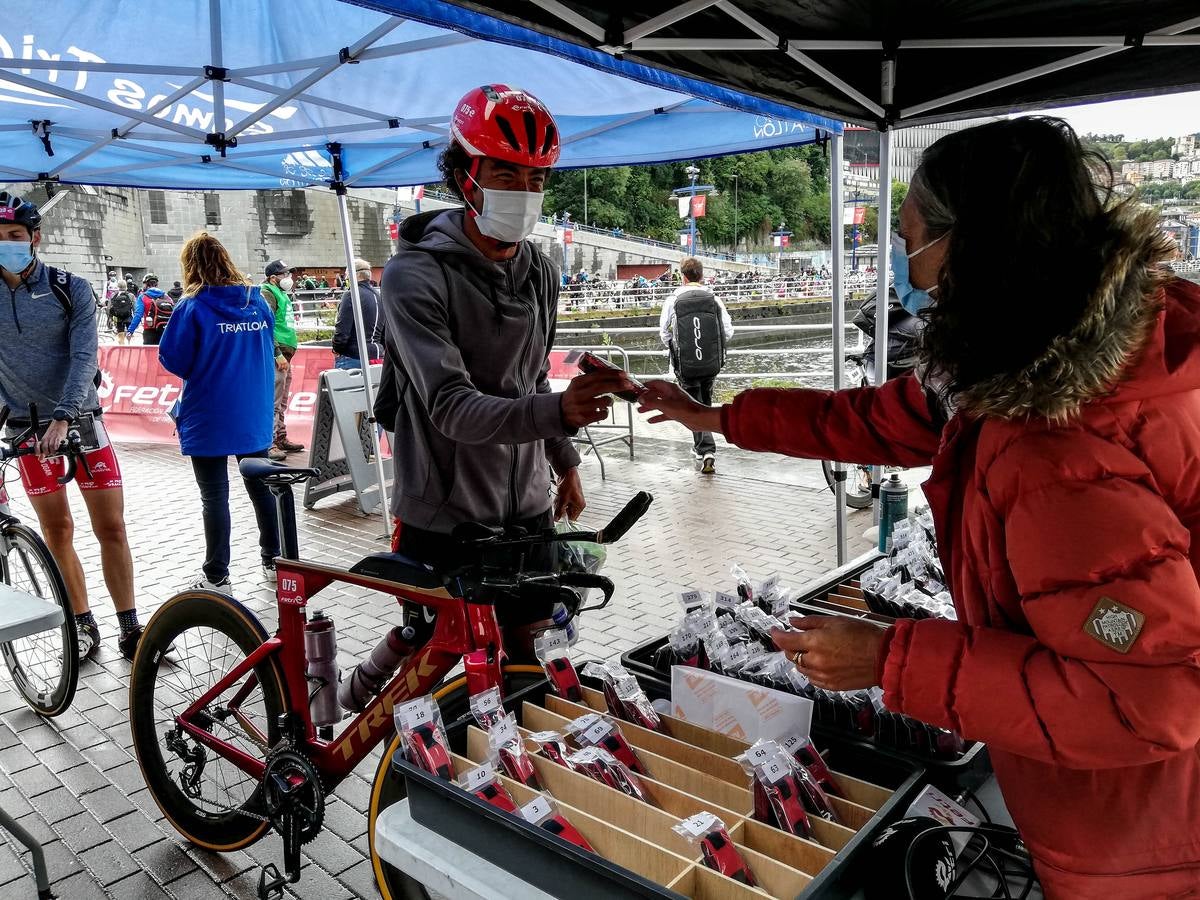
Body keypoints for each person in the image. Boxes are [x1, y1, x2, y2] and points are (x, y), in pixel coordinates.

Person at [638, 117, 1200, 898]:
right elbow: (869, 418)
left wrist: (891, 659)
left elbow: (1147, 696)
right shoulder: (1035, 363)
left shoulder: (1056, 450)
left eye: (912, 242)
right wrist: (718, 417)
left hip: (1142, 845)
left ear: (974, 247)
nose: (909, 271)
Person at [376, 84, 630, 655]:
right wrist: (559, 413)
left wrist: (564, 460)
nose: (524, 193)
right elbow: (450, 407)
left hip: (530, 515)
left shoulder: (539, 269)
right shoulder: (414, 276)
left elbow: (532, 376)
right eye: (506, 175)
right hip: (447, 518)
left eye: (536, 181)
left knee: (529, 671)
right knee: (437, 683)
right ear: (465, 175)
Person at [0, 190, 142, 660]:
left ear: (34, 238)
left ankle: (130, 626)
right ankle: (83, 623)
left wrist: (64, 415)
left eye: (14, 236)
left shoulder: (69, 287)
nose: (6, 244)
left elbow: (85, 357)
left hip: (81, 424)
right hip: (23, 430)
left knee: (111, 529)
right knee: (56, 532)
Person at [159, 232, 280, 591]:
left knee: (214, 496)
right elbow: (268, 344)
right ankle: (274, 560)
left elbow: (174, 359)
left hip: (209, 411)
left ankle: (217, 575)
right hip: (252, 410)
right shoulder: (256, 302)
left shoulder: (191, 306)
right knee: (261, 490)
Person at [658, 257, 733, 474]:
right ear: (701, 276)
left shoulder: (673, 300)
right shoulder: (713, 299)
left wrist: (678, 348)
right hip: (710, 362)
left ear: (682, 276)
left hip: (685, 364)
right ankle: (703, 448)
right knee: (705, 401)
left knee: (693, 404)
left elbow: (664, 333)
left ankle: (706, 449)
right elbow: (728, 331)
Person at [260, 259, 303, 461]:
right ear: (273, 277)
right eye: (284, 274)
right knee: (274, 401)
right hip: (277, 356)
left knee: (282, 400)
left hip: (285, 355)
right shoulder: (267, 293)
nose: (289, 278)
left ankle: (280, 437)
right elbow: (266, 325)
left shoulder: (281, 293)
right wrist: (276, 353)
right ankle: (269, 443)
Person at [332, 257, 381, 371]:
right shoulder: (378, 296)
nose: (346, 278)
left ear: (355, 275)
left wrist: (337, 348)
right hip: (377, 354)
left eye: (347, 274)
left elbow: (342, 328)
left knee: (347, 388)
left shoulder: (351, 295)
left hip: (353, 356)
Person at [129, 273, 173, 346]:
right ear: (156, 284)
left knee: (149, 356)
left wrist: (131, 330)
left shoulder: (142, 297)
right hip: (165, 330)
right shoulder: (166, 297)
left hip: (149, 330)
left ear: (146, 284)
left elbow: (138, 315)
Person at [110, 278, 135, 344]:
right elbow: (135, 308)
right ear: (126, 286)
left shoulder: (113, 295)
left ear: (118, 286)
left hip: (118, 319)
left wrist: (110, 318)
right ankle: (130, 346)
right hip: (128, 318)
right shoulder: (131, 295)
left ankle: (122, 347)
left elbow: (109, 308)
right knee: (130, 334)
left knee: (120, 335)